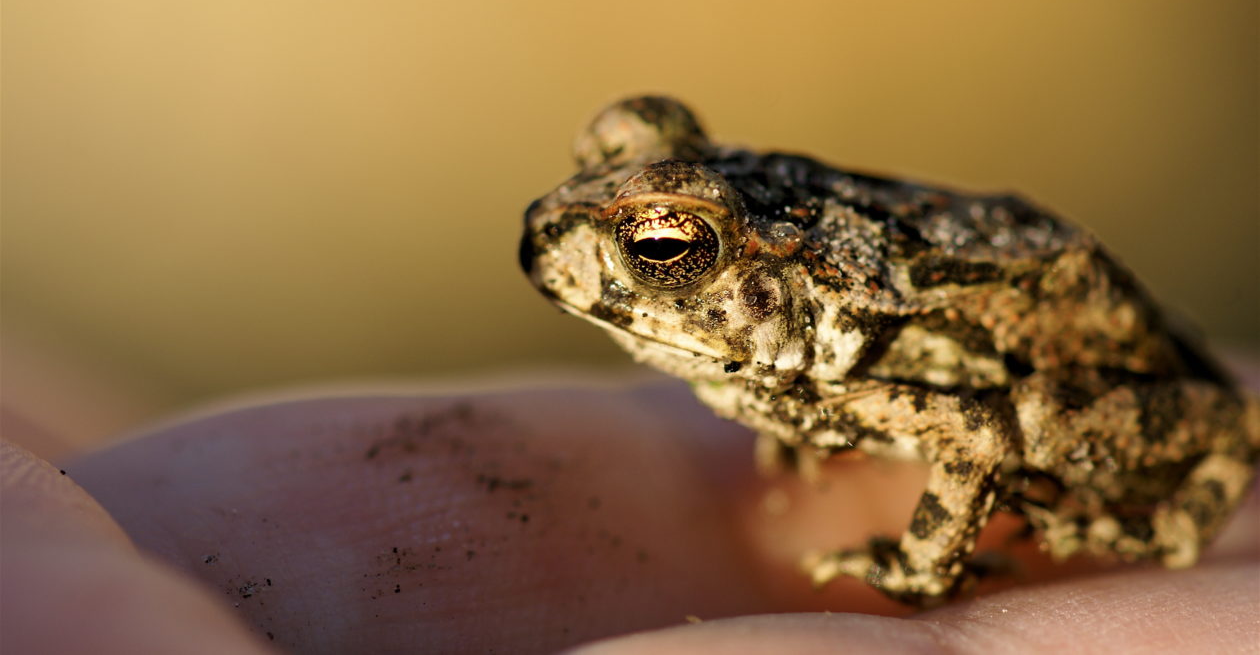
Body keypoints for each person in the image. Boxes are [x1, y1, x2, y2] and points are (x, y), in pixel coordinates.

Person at [3, 379, 1257, 654]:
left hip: (1082, 375)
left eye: (660, 245)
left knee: (1050, 433)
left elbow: (978, 429)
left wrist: (919, 562)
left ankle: (1167, 503)